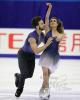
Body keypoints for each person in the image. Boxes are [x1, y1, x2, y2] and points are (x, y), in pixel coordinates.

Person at [14, 16, 53, 97]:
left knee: (29, 75)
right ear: (37, 26)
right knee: (24, 73)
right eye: (42, 23)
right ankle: (19, 89)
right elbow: (36, 51)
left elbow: (49, 42)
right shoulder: (32, 37)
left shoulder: (42, 35)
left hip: (31, 56)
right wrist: (47, 44)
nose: (44, 24)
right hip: (23, 55)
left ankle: (18, 76)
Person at [39, 3, 65, 100]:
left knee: (47, 76)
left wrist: (53, 38)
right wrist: (50, 8)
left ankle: (42, 88)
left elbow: (57, 39)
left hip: (54, 56)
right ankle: (47, 90)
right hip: (45, 55)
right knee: (45, 74)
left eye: (54, 21)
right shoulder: (47, 30)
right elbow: (46, 17)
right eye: (51, 21)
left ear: (57, 23)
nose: (52, 21)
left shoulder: (61, 34)